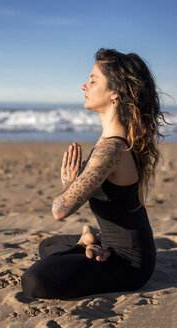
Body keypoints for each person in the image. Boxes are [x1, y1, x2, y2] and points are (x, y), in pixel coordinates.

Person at [21, 48, 166, 299]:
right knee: (47, 245)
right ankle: (90, 243)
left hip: (129, 263)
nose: (84, 85)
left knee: (35, 280)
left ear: (115, 94)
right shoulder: (109, 141)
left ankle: (89, 245)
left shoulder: (111, 149)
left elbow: (59, 210)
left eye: (93, 80)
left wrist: (69, 185)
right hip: (111, 245)